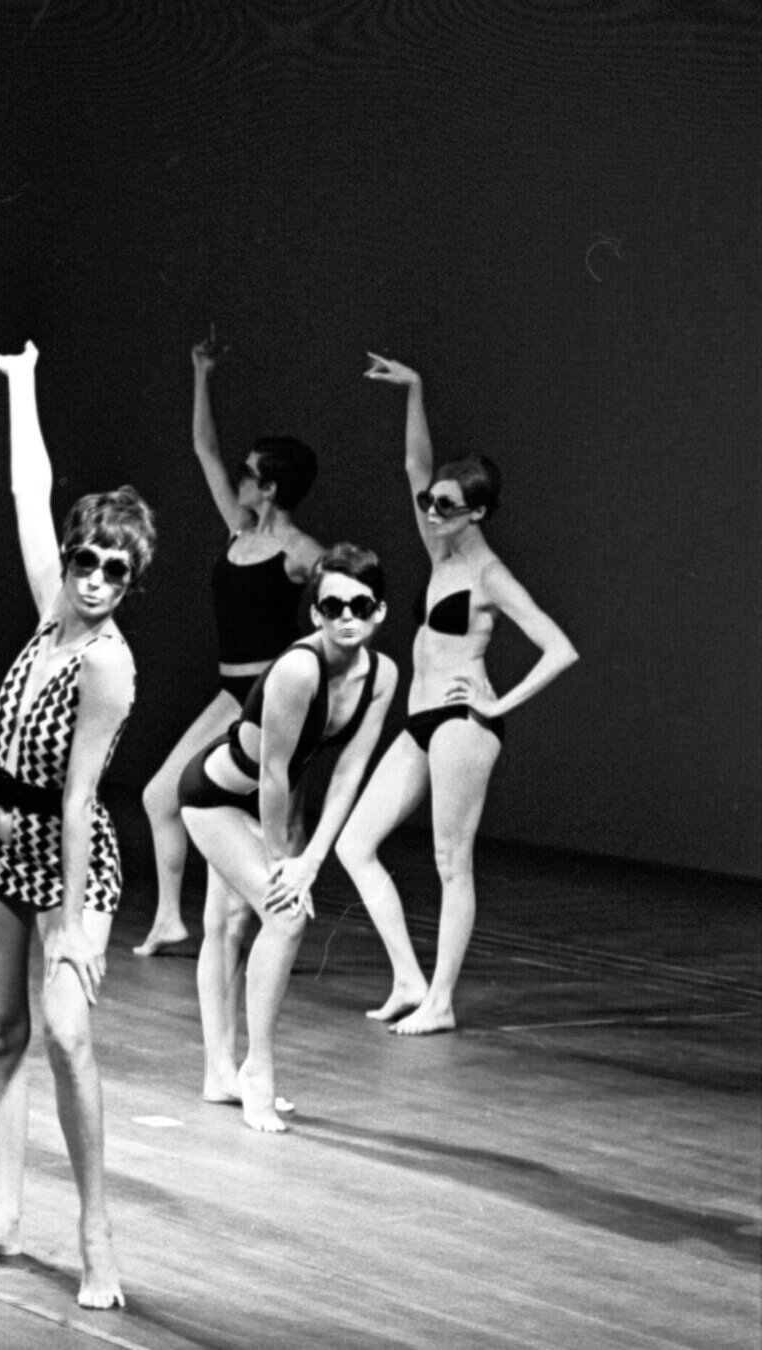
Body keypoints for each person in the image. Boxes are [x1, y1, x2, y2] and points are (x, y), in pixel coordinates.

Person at [0, 341, 146, 1311]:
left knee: (66, 1030)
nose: (94, 578)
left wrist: (68, 921)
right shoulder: (48, 611)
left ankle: (96, 1234)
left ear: (132, 578)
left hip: (66, 854)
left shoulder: (107, 664)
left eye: (114, 568)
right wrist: (20, 386)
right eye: (85, 559)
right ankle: (6, 1212)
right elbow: (30, 494)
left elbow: (78, 799)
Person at [336, 355, 577, 1034]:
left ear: (476, 512)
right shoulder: (442, 556)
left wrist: (499, 704)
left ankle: (440, 1001)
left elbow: (559, 647)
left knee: (450, 861)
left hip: (463, 722)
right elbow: (416, 466)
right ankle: (410, 979)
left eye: (445, 505)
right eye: (430, 504)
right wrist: (415, 389)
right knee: (355, 845)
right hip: (421, 719)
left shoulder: (487, 572)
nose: (431, 510)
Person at [181, 544, 395, 1132]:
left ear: (380, 612)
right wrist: (283, 863)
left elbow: (349, 770)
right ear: (315, 614)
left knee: (228, 926)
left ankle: (218, 1073)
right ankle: (257, 1071)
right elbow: (273, 774)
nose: (345, 616)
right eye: (331, 605)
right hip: (216, 798)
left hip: (265, 805)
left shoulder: (382, 675)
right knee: (286, 915)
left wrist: (314, 857)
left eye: (360, 604)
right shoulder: (299, 670)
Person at [132, 336, 323, 956]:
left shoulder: (302, 554)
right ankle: (168, 917)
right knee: (163, 794)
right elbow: (204, 449)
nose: (237, 477)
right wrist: (200, 373)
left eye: (248, 474)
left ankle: (282, 930)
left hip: (274, 701)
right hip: (231, 693)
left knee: (285, 822)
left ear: (268, 488)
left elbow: (346, 615)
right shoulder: (239, 532)